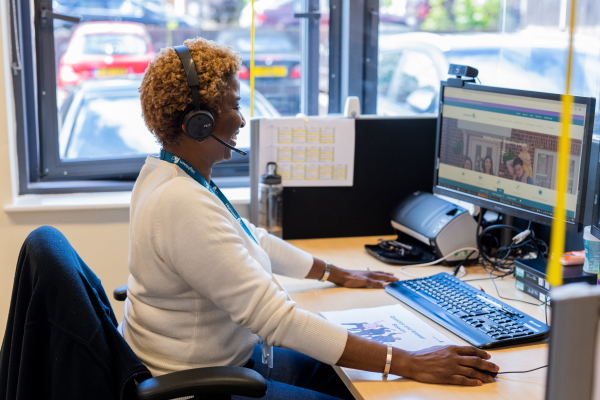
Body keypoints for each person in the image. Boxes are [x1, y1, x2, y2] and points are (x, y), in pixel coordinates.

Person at [120, 37, 499, 400]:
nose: (240, 119)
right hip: (198, 385)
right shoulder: (182, 202)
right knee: (379, 380)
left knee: (355, 377)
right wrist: (410, 363)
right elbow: (277, 320)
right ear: (199, 123)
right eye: (234, 106)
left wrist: (337, 273)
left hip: (224, 360)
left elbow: (252, 239)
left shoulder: (167, 173)